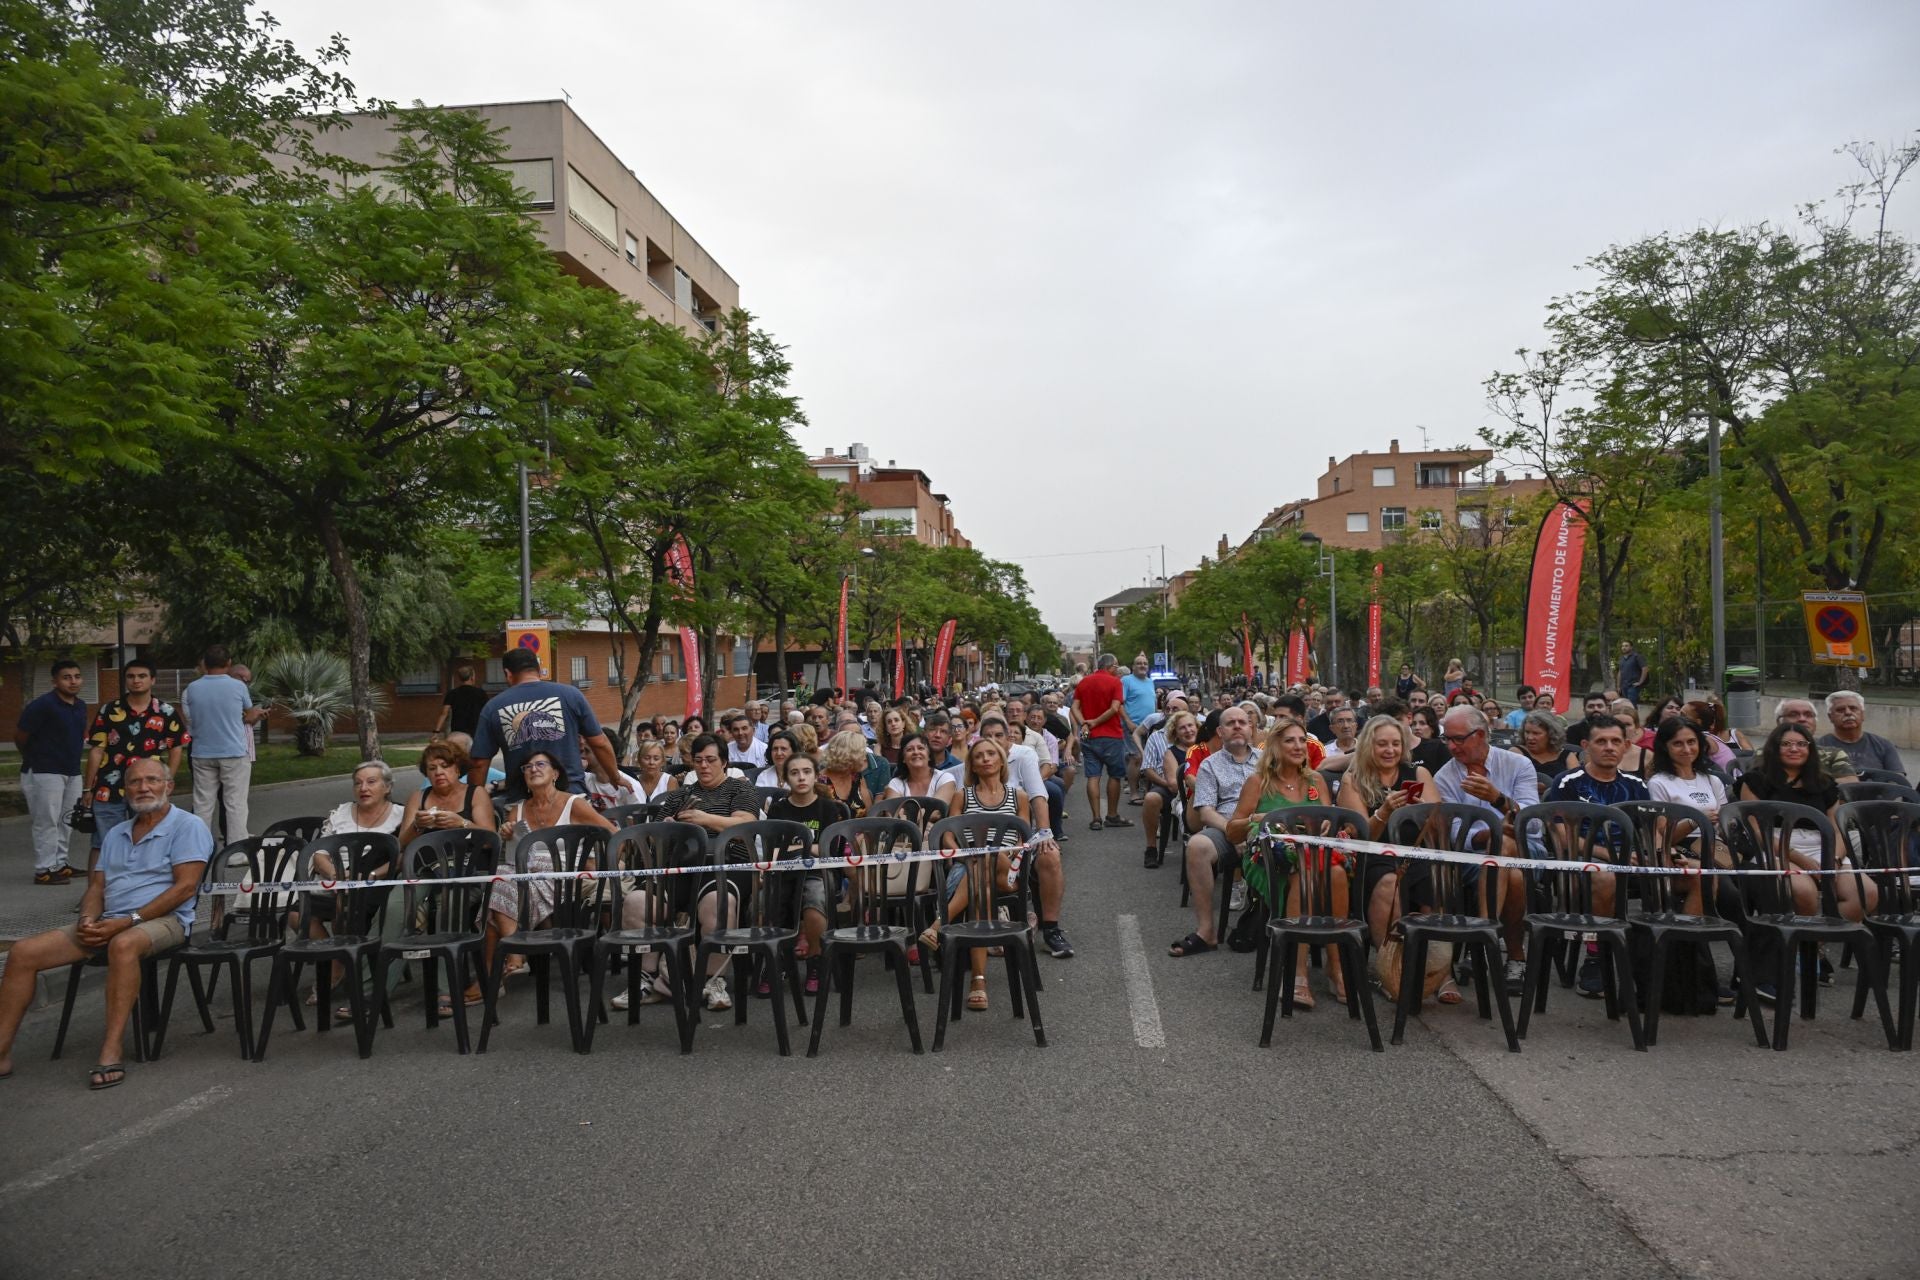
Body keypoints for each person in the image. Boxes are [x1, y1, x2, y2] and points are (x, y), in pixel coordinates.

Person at [0, 756, 209, 1089]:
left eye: (152, 780)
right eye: (136, 782)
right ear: (126, 790)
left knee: (123, 944)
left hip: (163, 921)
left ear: (168, 786)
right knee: (24, 952)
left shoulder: (188, 826)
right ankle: (2, 1052)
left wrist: (130, 920)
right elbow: (97, 887)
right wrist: (87, 919)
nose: (144, 788)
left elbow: (185, 887)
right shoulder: (116, 833)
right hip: (110, 920)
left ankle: (111, 1048)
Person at [611, 735, 760, 1012]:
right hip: (677, 866)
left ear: (724, 762)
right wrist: (668, 828)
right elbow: (652, 839)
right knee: (634, 903)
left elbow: (745, 827)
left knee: (718, 904)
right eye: (699, 760)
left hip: (722, 864)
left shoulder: (739, 789)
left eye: (711, 760)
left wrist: (705, 820)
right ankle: (647, 978)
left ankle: (713, 980)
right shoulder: (679, 795)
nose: (704, 766)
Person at [1736, 722, 1871, 999]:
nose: (1794, 749)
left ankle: (1813, 946)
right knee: (1804, 892)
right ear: (1775, 748)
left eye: (1801, 744)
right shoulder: (1756, 781)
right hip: (1776, 847)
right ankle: (1799, 955)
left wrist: (1833, 858)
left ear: (1810, 749)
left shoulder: (1823, 783)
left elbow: (1837, 829)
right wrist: (1800, 859)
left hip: (1822, 847)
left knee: (1865, 892)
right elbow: (1757, 831)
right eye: (1787, 744)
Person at [1225, 720, 1341, 1008]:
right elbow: (1231, 831)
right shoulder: (1258, 782)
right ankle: (1297, 969)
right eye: (1290, 740)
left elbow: (1330, 818)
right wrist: (1258, 819)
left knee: (1337, 873)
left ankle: (1336, 966)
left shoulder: (1316, 780)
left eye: (1302, 740)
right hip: (1270, 858)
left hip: (1315, 855)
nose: (1299, 746)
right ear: (1275, 746)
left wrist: (1327, 824)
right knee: (1301, 876)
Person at [1431, 705, 1539, 995]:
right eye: (1447, 740)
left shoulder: (1517, 765)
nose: (1451, 747)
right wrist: (1484, 835)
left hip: (1528, 852)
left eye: (1458, 739)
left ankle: (1480, 938)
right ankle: (1515, 954)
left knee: (1507, 845)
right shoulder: (1444, 777)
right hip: (1474, 857)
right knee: (1509, 867)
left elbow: (1531, 824)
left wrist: (1498, 799)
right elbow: (1452, 831)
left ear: (1480, 735)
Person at [1544, 718, 1649, 997]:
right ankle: (1596, 956)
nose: (1609, 747)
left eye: (1616, 741)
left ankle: (1688, 963)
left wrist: (1658, 853)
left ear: (1627, 746)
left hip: (1632, 862)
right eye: (1601, 741)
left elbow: (1651, 831)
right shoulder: (1568, 783)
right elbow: (1561, 836)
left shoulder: (1637, 785)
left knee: (1698, 879)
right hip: (1582, 866)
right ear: (1585, 746)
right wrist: (1610, 855)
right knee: (1605, 876)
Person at [928, 736, 1032, 1011]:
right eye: (979, 756)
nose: (985, 759)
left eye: (990, 754)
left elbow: (1024, 838)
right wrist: (960, 852)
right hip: (969, 866)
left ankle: (940, 923)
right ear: (971, 764)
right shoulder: (963, 795)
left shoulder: (1018, 796)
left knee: (989, 852)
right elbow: (948, 835)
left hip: (1007, 870)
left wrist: (1001, 853)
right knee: (981, 891)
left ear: (1000, 760)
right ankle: (979, 981)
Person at [1337, 715, 1444, 984]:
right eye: (1382, 744)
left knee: (1435, 876)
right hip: (1373, 857)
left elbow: (1439, 829)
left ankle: (1436, 970)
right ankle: (1392, 966)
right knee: (1387, 881)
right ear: (1367, 746)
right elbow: (1362, 837)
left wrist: (1421, 814)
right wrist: (1384, 811)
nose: (1390, 750)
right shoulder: (1353, 780)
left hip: (1415, 853)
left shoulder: (1418, 774)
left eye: (1396, 744)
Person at [468, 647, 620, 801]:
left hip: (523, 803)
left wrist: (473, 803)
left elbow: (479, 763)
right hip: (571, 797)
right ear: (539, 670)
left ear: (507, 674)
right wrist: (615, 777)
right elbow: (599, 743)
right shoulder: (571, 695)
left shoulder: (493, 707)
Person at [974, 715, 1070, 957]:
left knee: (1050, 856)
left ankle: (1051, 930)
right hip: (984, 840)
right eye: (987, 737)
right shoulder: (977, 758)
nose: (993, 742)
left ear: (1009, 738)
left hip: (1023, 834)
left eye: (999, 736)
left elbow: (1038, 794)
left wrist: (1045, 833)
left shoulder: (1024, 755)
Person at [1169, 706, 1260, 957]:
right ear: (1220, 731)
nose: (1238, 726)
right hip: (1224, 826)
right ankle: (1206, 931)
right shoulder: (1209, 765)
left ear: (1251, 728)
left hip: (1262, 826)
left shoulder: (1268, 761)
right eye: (1231, 723)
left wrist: (1250, 829)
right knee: (1197, 846)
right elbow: (1206, 812)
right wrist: (1233, 831)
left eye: (1243, 722)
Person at [83, 659, 188, 869]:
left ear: (152, 680)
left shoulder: (165, 712)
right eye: (131, 676)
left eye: (142, 676)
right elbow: (96, 749)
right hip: (108, 787)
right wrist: (88, 788)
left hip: (147, 788)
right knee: (103, 843)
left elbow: (176, 748)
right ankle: (95, 894)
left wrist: (167, 782)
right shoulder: (109, 710)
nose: (136, 681)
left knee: (147, 839)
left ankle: (139, 888)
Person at [765, 752, 850, 995]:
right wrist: (809, 846)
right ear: (785, 779)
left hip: (818, 872)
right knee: (762, 904)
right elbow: (775, 849)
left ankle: (815, 961)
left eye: (806, 772)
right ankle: (776, 961)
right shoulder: (779, 809)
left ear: (815, 776)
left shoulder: (828, 808)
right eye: (794, 773)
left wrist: (796, 846)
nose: (801, 777)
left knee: (814, 900)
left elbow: (829, 849)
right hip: (784, 872)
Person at [182, 645, 268, 844]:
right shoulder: (238, 686)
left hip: (202, 752)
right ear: (229, 663)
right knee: (235, 803)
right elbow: (248, 713)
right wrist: (254, 713)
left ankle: (198, 849)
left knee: (202, 804)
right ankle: (236, 852)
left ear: (205, 663)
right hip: (233, 752)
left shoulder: (193, 688)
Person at [17, 659, 89, 885]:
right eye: (66, 677)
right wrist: (34, 757)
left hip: (72, 770)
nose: (73, 681)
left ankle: (60, 863)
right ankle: (44, 869)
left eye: (77, 676)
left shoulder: (80, 705)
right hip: (43, 770)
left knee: (67, 819)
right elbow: (21, 736)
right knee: (46, 821)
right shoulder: (43, 705)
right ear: (55, 681)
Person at [398, 739, 498, 845]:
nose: (438, 772)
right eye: (432, 768)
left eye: (445, 766)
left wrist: (462, 823)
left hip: (468, 858)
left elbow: (490, 842)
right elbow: (402, 844)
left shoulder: (476, 794)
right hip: (429, 860)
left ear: (458, 769)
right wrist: (417, 826)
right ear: (426, 773)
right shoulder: (417, 798)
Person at [1073, 652, 1131, 831]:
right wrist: (1096, 722)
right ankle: (1112, 815)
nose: (1117, 669)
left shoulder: (1084, 682)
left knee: (1092, 775)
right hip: (1111, 735)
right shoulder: (1115, 682)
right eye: (1116, 666)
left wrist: (1084, 723)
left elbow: (1074, 707)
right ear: (1109, 666)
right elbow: (1115, 708)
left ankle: (1096, 818)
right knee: (1115, 775)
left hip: (1088, 735)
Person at [1140, 710, 1200, 869]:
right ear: (1176, 733)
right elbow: (1174, 785)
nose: (1188, 730)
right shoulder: (1171, 752)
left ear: (1197, 727)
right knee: (1151, 798)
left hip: (1201, 791)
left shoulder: (1205, 748)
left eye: (1190, 726)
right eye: (1182, 728)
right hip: (1176, 792)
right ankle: (1151, 848)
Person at [1817, 691, 1905, 778]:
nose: (1848, 713)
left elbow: (1898, 780)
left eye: (1853, 708)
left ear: (1862, 714)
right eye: (1840, 710)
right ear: (1830, 717)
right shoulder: (1819, 747)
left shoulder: (1884, 745)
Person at [1774, 698, 1858, 781]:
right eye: (1793, 715)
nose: (1802, 719)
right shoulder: (1762, 754)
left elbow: (1850, 783)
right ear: (1779, 721)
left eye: (1808, 715)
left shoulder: (1833, 755)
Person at [883, 731, 960, 810]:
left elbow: (936, 812)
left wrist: (907, 815)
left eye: (920, 748)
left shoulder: (945, 779)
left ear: (929, 755)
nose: (916, 752)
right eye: (910, 749)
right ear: (903, 759)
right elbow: (894, 815)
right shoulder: (895, 784)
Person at [1121, 655, 1158, 801]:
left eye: (1145, 663)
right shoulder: (1126, 681)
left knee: (1149, 759)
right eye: (1139, 663)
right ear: (1133, 667)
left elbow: (1153, 703)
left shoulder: (1150, 682)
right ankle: (1134, 793)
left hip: (1149, 727)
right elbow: (1119, 704)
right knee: (1135, 757)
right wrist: (1128, 722)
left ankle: (1148, 790)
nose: (1142, 665)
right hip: (1133, 726)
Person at [819, 730, 877, 818]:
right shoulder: (819, 782)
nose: (865, 758)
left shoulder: (857, 777)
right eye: (862, 754)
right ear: (848, 756)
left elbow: (870, 816)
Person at [1517, 710, 1580, 782]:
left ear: (1551, 735)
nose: (1529, 737)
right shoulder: (1517, 753)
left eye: (1536, 733)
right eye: (1527, 732)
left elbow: (1578, 784)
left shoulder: (1567, 756)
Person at [435, 666, 489, 738]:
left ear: (460, 678)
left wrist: (436, 732)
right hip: (476, 731)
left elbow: (444, 713)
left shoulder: (452, 693)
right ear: (472, 677)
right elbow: (488, 712)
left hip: (458, 731)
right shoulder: (481, 693)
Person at [1407, 703, 1450, 774]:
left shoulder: (1440, 747)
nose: (1417, 728)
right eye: (1414, 724)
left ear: (1432, 728)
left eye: (1422, 723)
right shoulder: (1407, 750)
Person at [1617, 640, 1646, 705]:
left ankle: (1634, 715)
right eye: (1623, 646)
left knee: (1632, 705)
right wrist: (1618, 686)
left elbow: (1645, 669)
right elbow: (1620, 672)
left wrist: (1640, 682)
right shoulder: (1621, 658)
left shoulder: (1637, 656)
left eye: (1626, 646)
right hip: (1624, 686)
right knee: (1626, 705)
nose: (1624, 647)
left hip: (1633, 686)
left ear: (1631, 647)